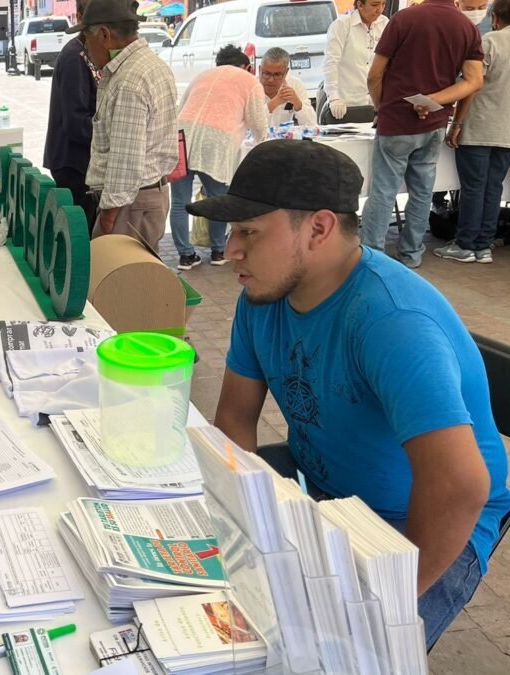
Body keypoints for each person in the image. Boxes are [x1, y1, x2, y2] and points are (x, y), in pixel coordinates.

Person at [198, 139, 510, 651]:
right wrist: (236, 530)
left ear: (319, 228)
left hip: (426, 528)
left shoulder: (392, 322)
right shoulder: (261, 296)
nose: (232, 249)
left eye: (249, 232)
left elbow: (460, 486)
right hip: (327, 494)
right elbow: (234, 424)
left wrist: (384, 602)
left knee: (338, 655)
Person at [361, 0, 484, 268]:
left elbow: (374, 75)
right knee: (422, 192)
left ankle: (372, 256)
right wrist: (435, 101)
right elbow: (474, 81)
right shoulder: (467, 27)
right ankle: (412, 254)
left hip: (396, 121)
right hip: (435, 123)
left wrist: (382, 108)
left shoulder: (404, 19)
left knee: (384, 191)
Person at [75, 0, 178, 251]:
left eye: (86, 40)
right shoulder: (149, 65)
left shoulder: (130, 80)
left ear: (104, 35)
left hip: (130, 205)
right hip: (140, 198)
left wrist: (108, 220)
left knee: (121, 282)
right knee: (136, 279)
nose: (86, 49)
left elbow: (125, 160)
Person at [170, 45, 268, 270]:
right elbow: (258, 120)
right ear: (246, 66)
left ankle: (186, 256)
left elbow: (182, 107)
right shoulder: (248, 80)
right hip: (217, 140)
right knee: (218, 199)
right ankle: (217, 251)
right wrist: (262, 139)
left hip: (182, 135)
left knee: (179, 202)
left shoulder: (202, 76)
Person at [437, 0, 510, 264]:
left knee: (472, 188)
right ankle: (484, 246)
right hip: (506, 132)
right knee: (493, 189)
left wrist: (456, 123)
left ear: (495, 18)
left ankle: (465, 245)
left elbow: (471, 85)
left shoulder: (489, 42)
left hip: (479, 126)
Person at [44, 0, 99, 235]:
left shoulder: (85, 53)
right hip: (73, 163)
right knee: (79, 233)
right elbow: (76, 122)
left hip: (78, 161)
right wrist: (109, 137)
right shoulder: (75, 56)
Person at [321, 0, 388, 124]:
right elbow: (331, 62)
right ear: (360, 5)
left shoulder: (385, 24)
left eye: (383, 4)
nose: (380, 10)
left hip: (376, 104)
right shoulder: (342, 25)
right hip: (347, 105)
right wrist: (334, 97)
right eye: (374, 5)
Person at [260, 47, 316, 128]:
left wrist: (298, 104)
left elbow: (312, 125)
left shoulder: (295, 84)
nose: (271, 80)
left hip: (285, 139)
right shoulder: (249, 86)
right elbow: (249, 125)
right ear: (259, 69)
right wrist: (273, 104)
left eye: (277, 75)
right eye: (267, 74)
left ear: (286, 72)